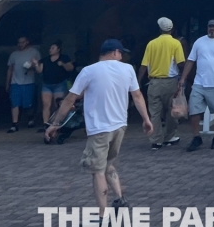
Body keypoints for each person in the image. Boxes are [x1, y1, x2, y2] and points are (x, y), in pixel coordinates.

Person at [44, 39, 154, 212]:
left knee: (97, 171)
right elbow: (138, 96)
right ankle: (120, 200)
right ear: (115, 52)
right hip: (120, 125)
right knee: (108, 164)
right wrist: (146, 119)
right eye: (121, 53)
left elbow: (70, 98)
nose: (122, 56)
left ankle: (103, 214)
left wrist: (56, 123)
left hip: (99, 127)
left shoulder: (89, 71)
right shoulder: (128, 69)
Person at [178, 18, 214, 152]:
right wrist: (183, 78)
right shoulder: (199, 41)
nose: (212, 29)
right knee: (194, 110)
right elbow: (191, 61)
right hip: (199, 83)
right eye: (210, 26)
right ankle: (196, 137)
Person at [138, 17, 186, 149]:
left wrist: (137, 81)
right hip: (171, 82)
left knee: (155, 112)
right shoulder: (176, 43)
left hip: (154, 82)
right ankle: (169, 137)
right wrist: (184, 77)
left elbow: (144, 65)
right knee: (172, 111)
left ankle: (156, 140)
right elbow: (180, 63)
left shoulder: (151, 44)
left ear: (160, 29)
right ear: (172, 29)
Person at [6, 35, 41, 132]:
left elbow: (39, 66)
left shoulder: (34, 52)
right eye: (19, 42)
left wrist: (32, 66)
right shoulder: (14, 54)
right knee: (15, 103)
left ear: (27, 42)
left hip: (29, 82)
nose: (20, 44)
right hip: (15, 82)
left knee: (28, 104)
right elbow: (10, 69)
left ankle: (30, 118)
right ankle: (15, 124)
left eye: (22, 42)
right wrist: (7, 83)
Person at [37, 39, 74, 131]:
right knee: (46, 105)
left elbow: (71, 68)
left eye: (52, 48)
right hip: (47, 84)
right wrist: (35, 64)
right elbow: (39, 71)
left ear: (58, 49)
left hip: (60, 84)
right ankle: (45, 124)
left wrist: (63, 64)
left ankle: (55, 123)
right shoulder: (45, 59)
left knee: (57, 105)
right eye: (50, 48)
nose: (50, 50)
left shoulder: (64, 58)